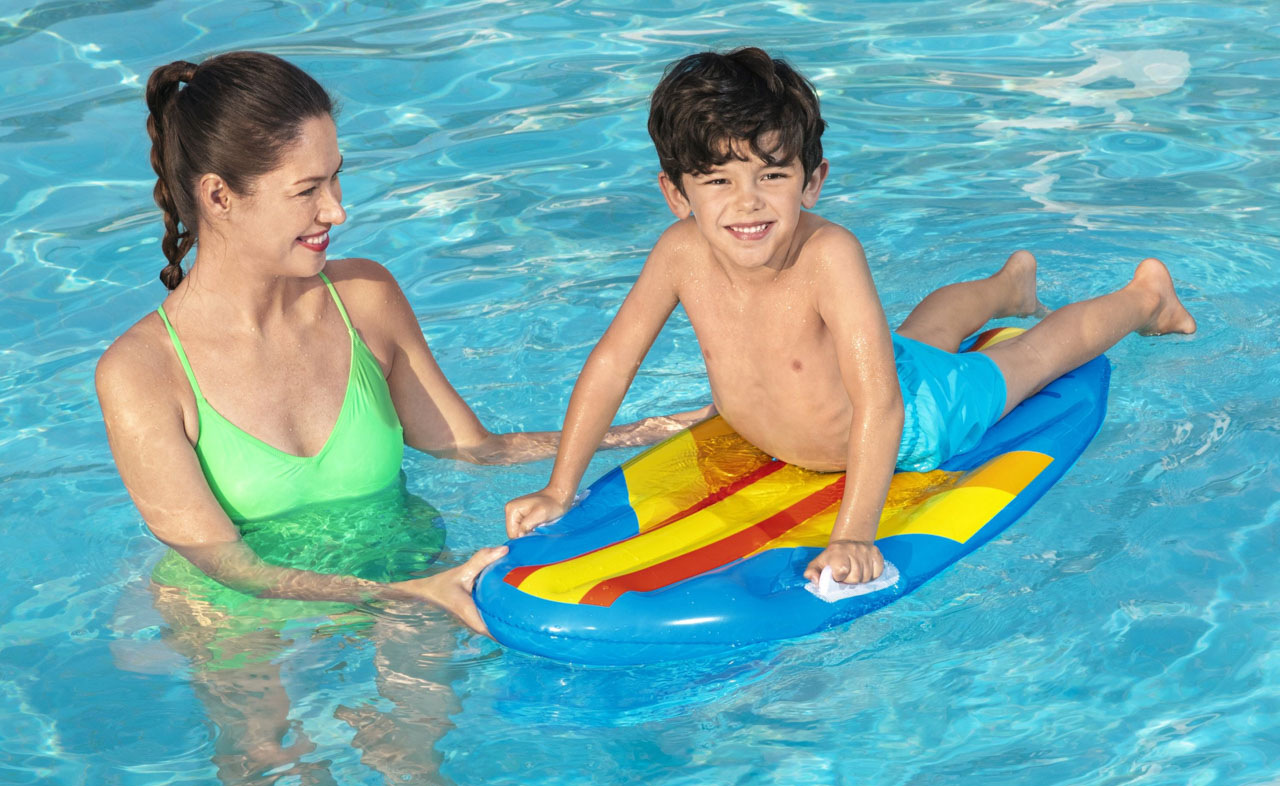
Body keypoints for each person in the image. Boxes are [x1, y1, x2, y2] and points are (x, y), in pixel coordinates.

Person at [504, 47, 1197, 587]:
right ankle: (1008, 286)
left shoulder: (829, 255)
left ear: (812, 180)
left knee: (1031, 357)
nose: (747, 202)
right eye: (717, 180)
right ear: (676, 193)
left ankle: (1146, 299)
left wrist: (855, 533)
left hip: (916, 421)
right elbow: (613, 362)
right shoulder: (677, 252)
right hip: (865, 380)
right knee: (918, 338)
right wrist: (561, 488)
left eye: (772, 175)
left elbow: (882, 404)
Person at [95, 51, 708, 633]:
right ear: (219, 197)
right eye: (307, 190)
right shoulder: (141, 373)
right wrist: (403, 594)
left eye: (336, 178)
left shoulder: (364, 299)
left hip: (406, 571)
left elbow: (476, 449)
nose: (336, 212)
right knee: (257, 702)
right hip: (246, 616)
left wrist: (654, 430)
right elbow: (232, 568)